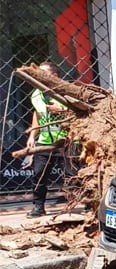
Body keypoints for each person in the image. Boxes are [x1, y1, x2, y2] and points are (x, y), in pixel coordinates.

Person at [25, 62, 69, 218]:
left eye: (42, 72)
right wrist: (32, 135)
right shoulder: (36, 93)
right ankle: (39, 207)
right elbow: (37, 114)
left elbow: (81, 110)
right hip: (45, 139)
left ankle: (85, 204)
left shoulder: (66, 90)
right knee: (39, 174)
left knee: (73, 174)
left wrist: (62, 110)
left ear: (54, 76)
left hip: (67, 139)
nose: (38, 75)